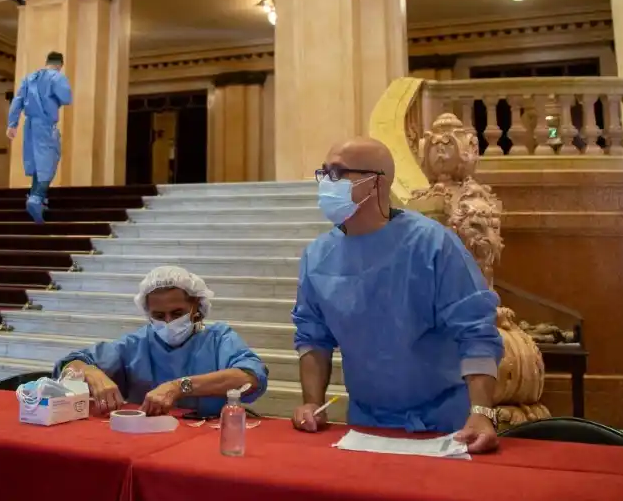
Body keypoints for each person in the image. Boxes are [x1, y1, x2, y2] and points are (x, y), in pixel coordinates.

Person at [291, 137, 504, 454]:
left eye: (338, 173)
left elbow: (475, 331)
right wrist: (311, 402)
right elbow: (313, 337)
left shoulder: (431, 244)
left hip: (444, 425)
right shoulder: (318, 255)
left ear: (375, 181)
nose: (326, 183)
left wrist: (481, 412)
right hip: (366, 423)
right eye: (324, 173)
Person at [54, 266, 269, 417]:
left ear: (196, 307)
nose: (168, 322)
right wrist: (91, 373)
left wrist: (179, 387)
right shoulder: (135, 345)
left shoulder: (218, 338)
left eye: (177, 313)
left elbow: (250, 376)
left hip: (207, 437)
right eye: (158, 316)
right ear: (147, 313)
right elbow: (70, 364)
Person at [6, 51, 72, 223]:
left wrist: (12, 124)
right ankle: (37, 197)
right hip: (45, 124)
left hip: (30, 124)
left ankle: (36, 197)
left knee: (37, 162)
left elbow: (17, 101)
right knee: (49, 160)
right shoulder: (56, 77)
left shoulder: (29, 78)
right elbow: (66, 98)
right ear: (60, 64)